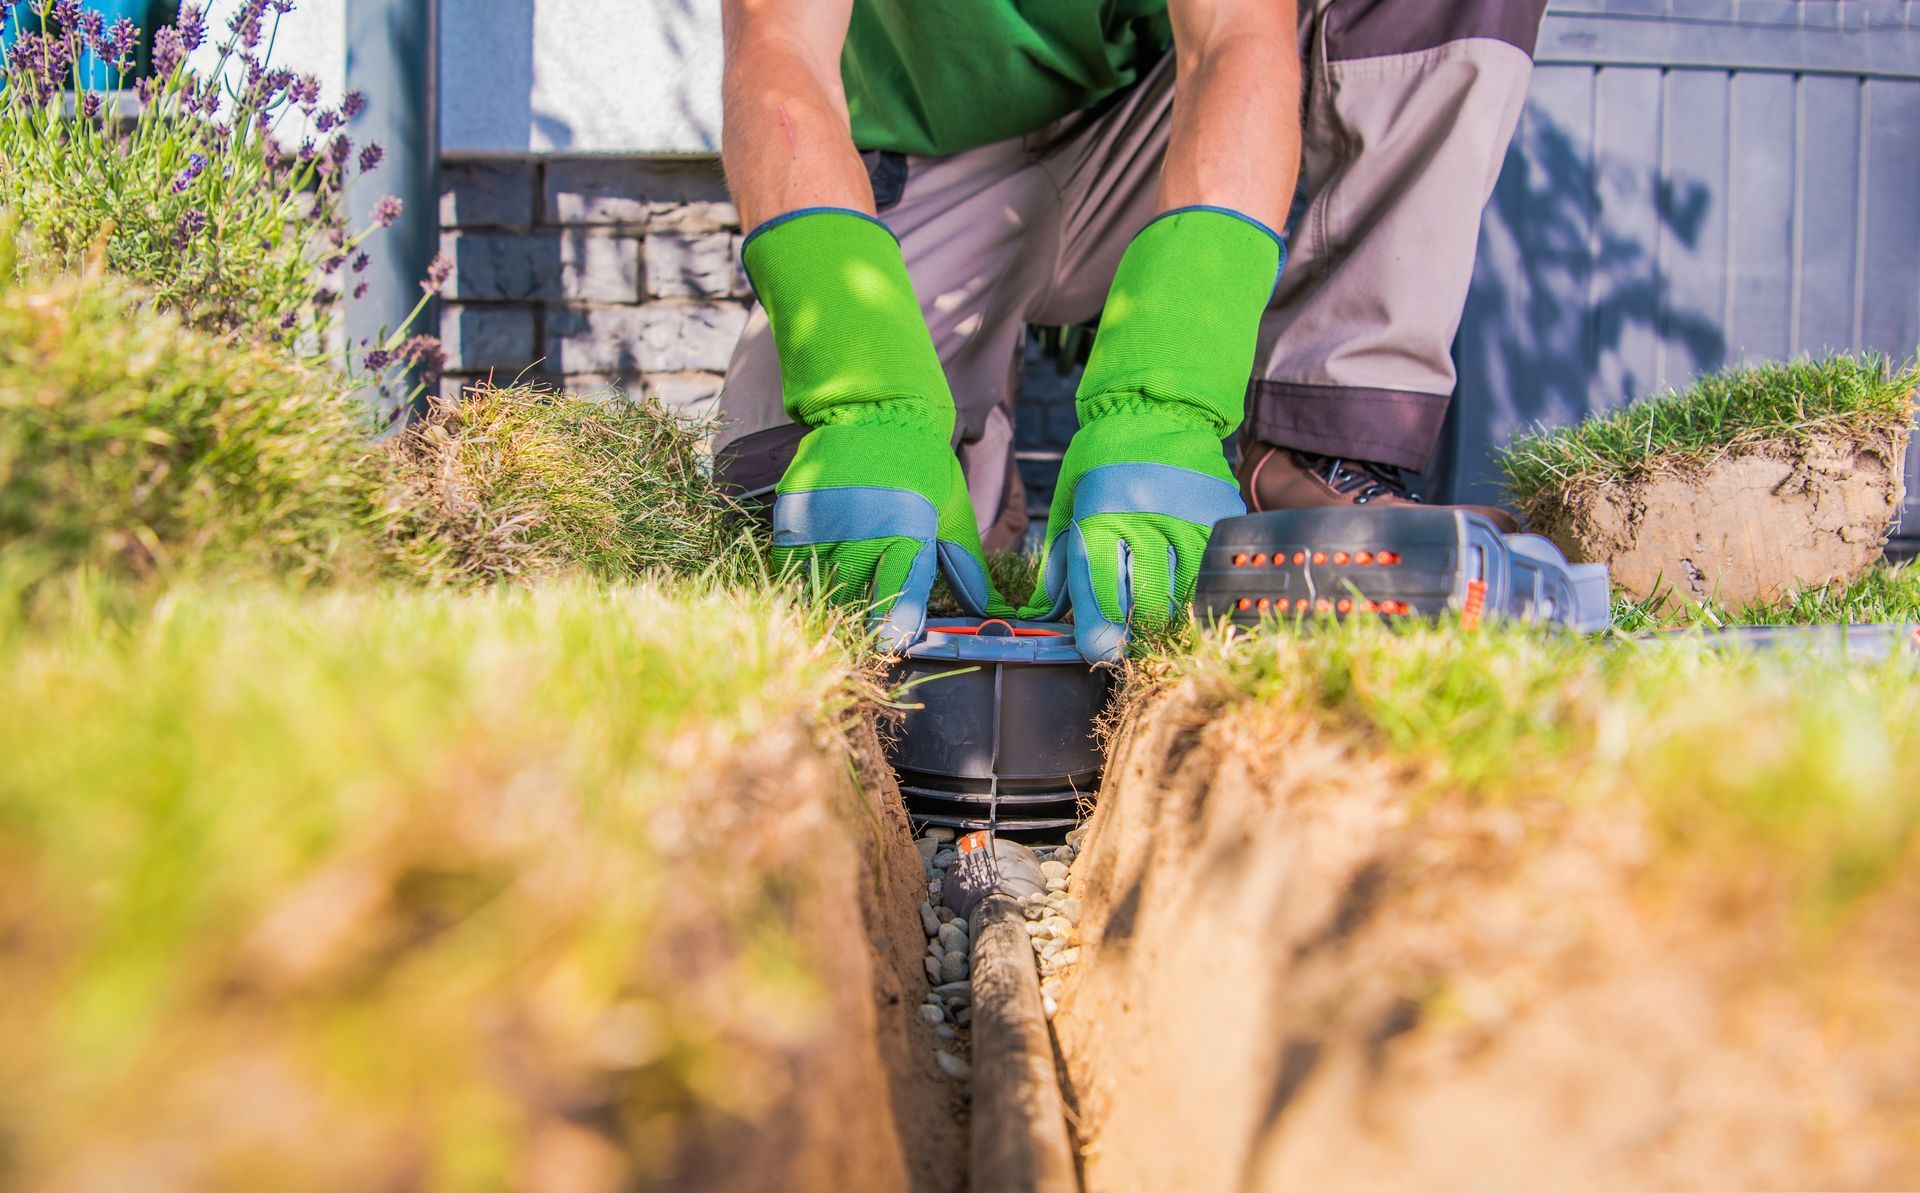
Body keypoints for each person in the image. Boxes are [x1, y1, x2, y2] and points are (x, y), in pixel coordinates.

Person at [716, 0, 1544, 661]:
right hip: (922, 166)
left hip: (1158, 134)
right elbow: (775, 44)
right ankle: (975, 464)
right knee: (780, 502)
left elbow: (1235, 36)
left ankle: (1312, 444)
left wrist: (1168, 399)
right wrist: (864, 400)